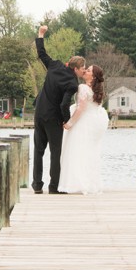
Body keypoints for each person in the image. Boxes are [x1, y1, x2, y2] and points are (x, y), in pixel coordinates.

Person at [32, 25, 86, 194]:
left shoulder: (54, 65)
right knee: (55, 153)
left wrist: (40, 35)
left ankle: (37, 185)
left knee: (38, 150)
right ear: (75, 68)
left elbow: (41, 54)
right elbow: (64, 104)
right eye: (83, 69)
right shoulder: (72, 83)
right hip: (53, 118)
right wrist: (65, 120)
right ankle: (53, 187)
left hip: (39, 112)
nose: (83, 72)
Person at [58, 65, 109, 194]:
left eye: (89, 70)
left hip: (82, 123)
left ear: (93, 76)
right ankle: (89, 183)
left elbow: (81, 108)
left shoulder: (83, 88)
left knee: (76, 150)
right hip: (93, 123)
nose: (86, 71)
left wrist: (70, 123)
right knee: (89, 152)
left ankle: (77, 183)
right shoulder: (98, 91)